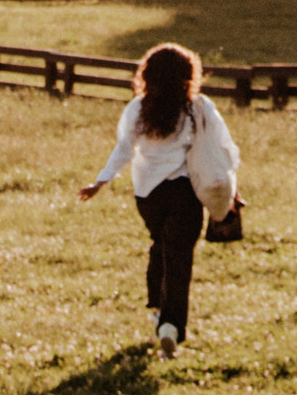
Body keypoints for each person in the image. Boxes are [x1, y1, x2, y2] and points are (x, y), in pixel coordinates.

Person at [80, 43, 239, 356]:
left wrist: (101, 181)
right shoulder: (198, 106)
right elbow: (225, 147)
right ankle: (170, 326)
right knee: (179, 258)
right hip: (185, 193)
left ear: (147, 74)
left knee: (161, 245)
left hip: (148, 195)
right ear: (188, 74)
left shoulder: (138, 108)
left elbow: (123, 149)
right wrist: (229, 184)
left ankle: (156, 308)